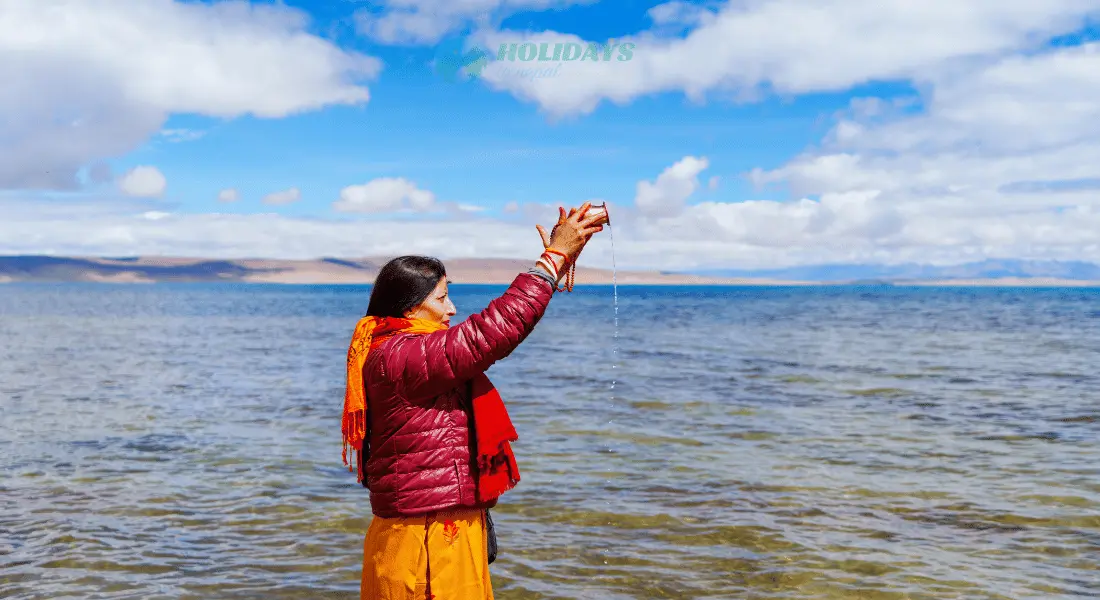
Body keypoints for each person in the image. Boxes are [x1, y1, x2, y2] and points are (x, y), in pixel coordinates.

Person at [342, 202, 606, 600]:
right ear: (410, 307)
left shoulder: (394, 350)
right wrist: (552, 260)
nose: (451, 309)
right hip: (425, 538)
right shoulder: (402, 355)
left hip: (437, 526)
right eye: (441, 298)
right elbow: (492, 331)